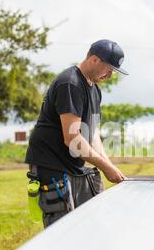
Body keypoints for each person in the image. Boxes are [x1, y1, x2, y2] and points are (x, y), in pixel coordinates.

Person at [25, 39, 127, 228]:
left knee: (93, 225)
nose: (110, 75)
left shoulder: (95, 90)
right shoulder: (70, 83)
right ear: (95, 59)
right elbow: (72, 138)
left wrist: (109, 165)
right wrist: (105, 168)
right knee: (63, 231)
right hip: (53, 166)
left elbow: (92, 134)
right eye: (109, 68)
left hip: (76, 167)